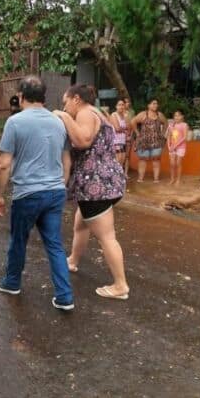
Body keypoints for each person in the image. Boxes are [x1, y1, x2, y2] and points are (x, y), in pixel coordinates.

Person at [0, 75, 75, 311]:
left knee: (19, 240)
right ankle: (65, 296)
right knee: (54, 244)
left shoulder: (15, 122)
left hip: (28, 194)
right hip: (55, 192)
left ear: (21, 96)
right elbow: (66, 161)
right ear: (43, 96)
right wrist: (60, 186)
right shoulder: (58, 122)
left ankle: (12, 282)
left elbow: (4, 164)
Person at [54, 84, 129, 300]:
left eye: (66, 103)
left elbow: (83, 140)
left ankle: (120, 285)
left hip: (95, 187)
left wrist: (63, 117)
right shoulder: (99, 112)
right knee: (81, 224)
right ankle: (73, 260)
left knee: (107, 237)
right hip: (108, 181)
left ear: (76, 99)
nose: (65, 108)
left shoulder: (85, 113)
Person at [131, 99, 167, 183]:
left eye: (156, 104)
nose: (155, 105)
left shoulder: (159, 115)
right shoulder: (143, 114)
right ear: (148, 105)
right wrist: (137, 133)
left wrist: (162, 133)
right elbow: (133, 121)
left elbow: (166, 123)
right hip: (144, 141)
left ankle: (156, 178)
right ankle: (140, 178)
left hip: (156, 141)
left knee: (156, 159)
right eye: (153, 103)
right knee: (143, 159)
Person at [166, 110, 189, 186]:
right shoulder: (171, 125)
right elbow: (169, 136)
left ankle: (178, 179)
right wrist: (169, 146)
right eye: (175, 115)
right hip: (172, 147)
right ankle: (172, 179)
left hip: (181, 147)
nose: (177, 117)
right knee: (172, 164)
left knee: (178, 163)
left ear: (182, 116)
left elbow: (184, 137)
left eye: (179, 115)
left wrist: (175, 146)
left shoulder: (184, 125)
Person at [109, 99, 130, 167]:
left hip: (122, 141)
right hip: (115, 141)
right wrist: (124, 130)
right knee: (118, 160)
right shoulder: (114, 115)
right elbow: (117, 128)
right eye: (119, 105)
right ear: (116, 106)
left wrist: (126, 117)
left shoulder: (125, 116)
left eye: (122, 105)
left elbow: (128, 127)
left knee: (122, 160)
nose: (121, 106)